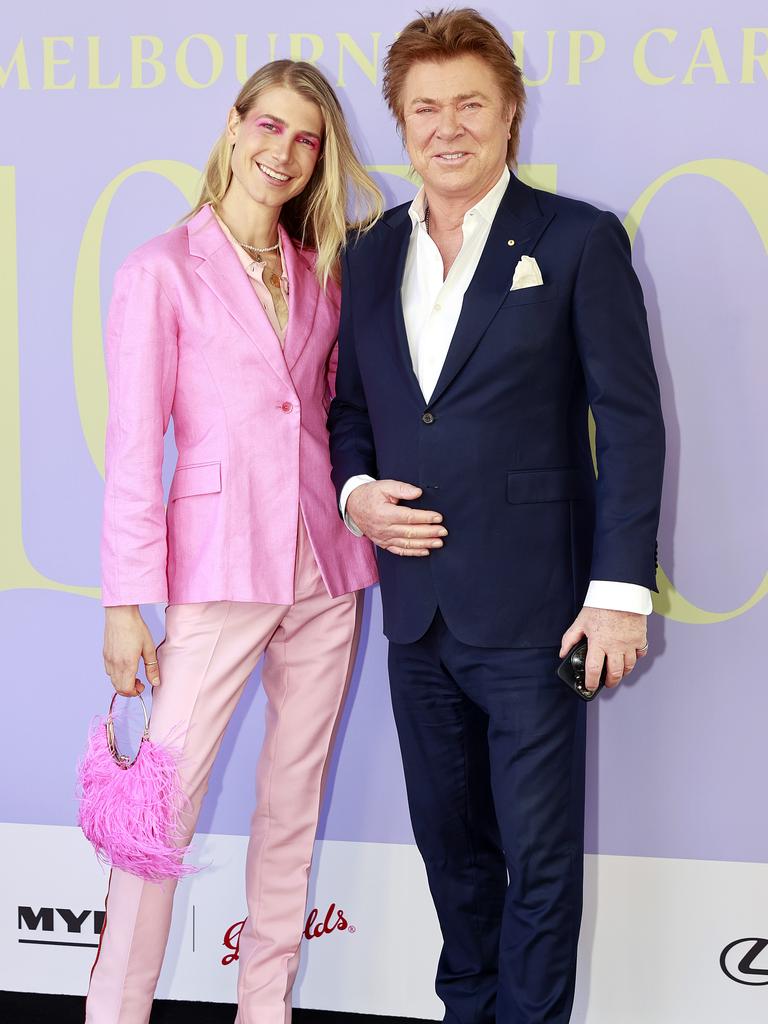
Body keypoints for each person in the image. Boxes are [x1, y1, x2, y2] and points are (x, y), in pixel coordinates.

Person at [329, 9, 665, 1023]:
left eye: (470, 102)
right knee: (451, 849)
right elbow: (350, 411)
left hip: (538, 613)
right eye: (425, 107)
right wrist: (357, 495)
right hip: (417, 614)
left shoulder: (576, 239)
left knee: (540, 861)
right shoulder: (368, 253)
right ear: (400, 123)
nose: (448, 126)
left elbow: (632, 424)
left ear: (510, 112)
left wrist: (617, 598)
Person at [87, 59, 380, 1024]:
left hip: (325, 573)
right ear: (234, 125)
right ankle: (116, 1010)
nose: (284, 152)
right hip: (216, 568)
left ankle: (267, 1011)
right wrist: (125, 605)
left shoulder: (321, 275)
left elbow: (330, 417)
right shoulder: (161, 268)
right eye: (271, 127)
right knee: (156, 819)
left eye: (307, 138)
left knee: (292, 811)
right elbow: (134, 451)